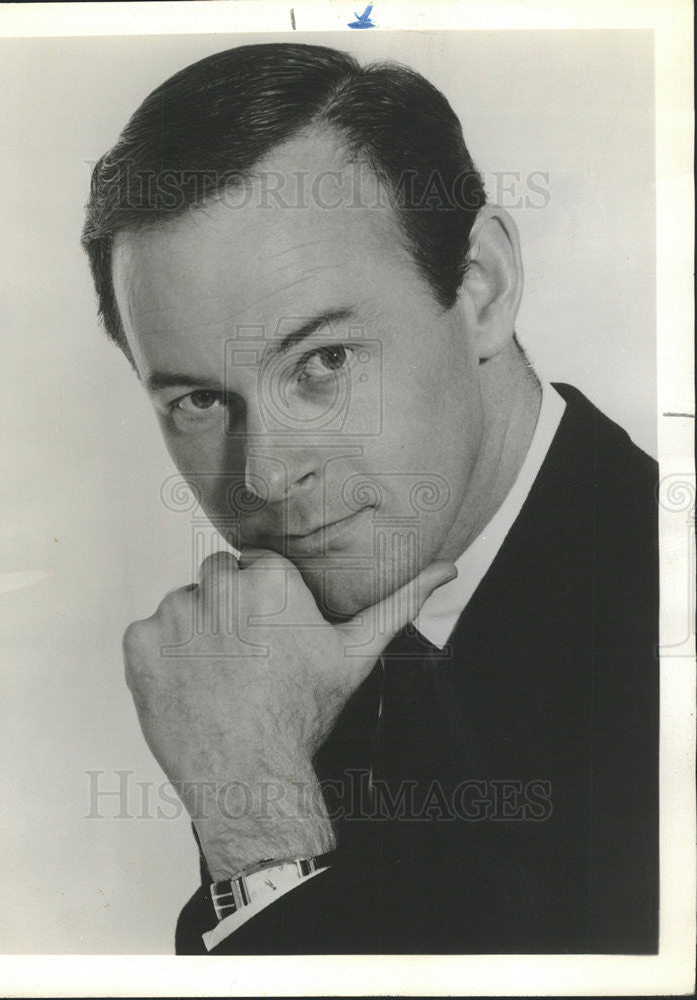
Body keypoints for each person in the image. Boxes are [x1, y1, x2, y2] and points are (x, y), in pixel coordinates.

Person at [81, 42, 658, 955]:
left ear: (481, 289)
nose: (266, 476)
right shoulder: (282, 651)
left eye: (324, 363)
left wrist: (259, 832)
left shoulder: (663, 635)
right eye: (198, 400)